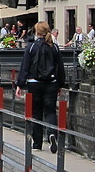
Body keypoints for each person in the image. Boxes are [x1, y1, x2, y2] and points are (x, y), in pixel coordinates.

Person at [16, 21, 65, 153]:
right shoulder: (54, 47)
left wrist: (20, 84)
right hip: (51, 83)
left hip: (34, 83)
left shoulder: (31, 47)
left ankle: (37, 143)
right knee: (50, 111)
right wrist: (60, 84)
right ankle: (51, 133)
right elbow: (60, 67)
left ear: (37, 33)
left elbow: (25, 67)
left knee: (36, 112)